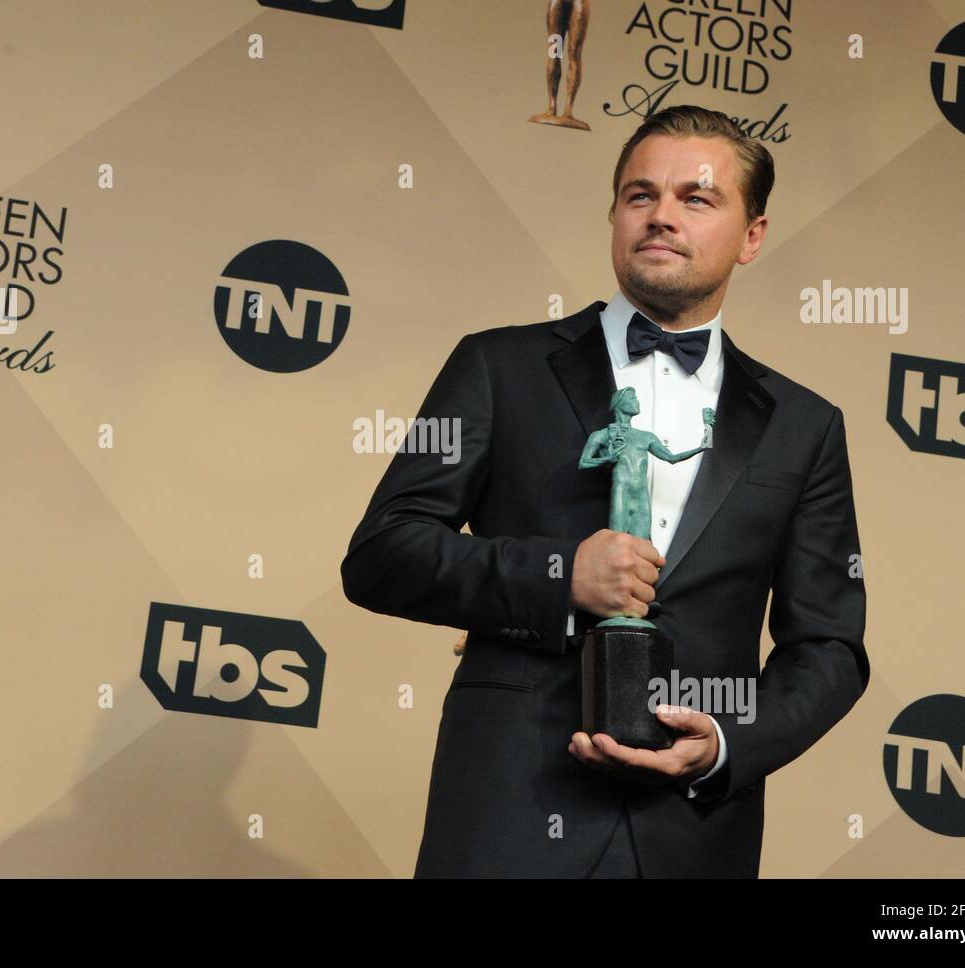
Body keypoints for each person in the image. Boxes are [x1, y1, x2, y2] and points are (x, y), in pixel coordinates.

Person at [341, 104, 869, 877]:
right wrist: (559, 574)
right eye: (639, 195)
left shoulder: (806, 426)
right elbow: (382, 553)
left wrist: (726, 744)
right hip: (507, 811)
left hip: (691, 835)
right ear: (615, 214)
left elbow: (828, 645)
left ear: (752, 235)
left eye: (697, 198)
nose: (661, 217)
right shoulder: (497, 367)